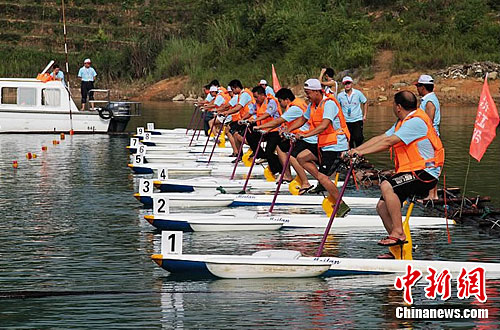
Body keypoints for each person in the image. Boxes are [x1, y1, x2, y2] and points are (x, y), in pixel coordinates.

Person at [347, 91, 444, 256]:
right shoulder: (403, 122)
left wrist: (361, 153)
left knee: (386, 185)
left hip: (425, 173)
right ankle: (398, 251)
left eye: (393, 104)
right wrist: (355, 150)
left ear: (398, 107)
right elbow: (382, 137)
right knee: (381, 206)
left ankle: (398, 233)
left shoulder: (416, 122)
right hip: (412, 172)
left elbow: (388, 142)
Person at [286, 78, 351, 216]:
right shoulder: (313, 105)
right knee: (301, 157)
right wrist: (288, 130)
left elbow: (324, 125)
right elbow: (303, 119)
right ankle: (323, 182)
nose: (307, 96)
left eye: (308, 93)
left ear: (317, 91)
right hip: (324, 144)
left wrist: (305, 135)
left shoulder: (329, 104)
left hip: (335, 145)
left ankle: (340, 204)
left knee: (322, 176)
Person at [254, 88, 314, 193]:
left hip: (307, 137)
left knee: (292, 156)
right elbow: (283, 124)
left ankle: (305, 182)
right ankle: (288, 175)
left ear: (286, 100)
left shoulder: (294, 108)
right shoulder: (297, 104)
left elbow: (278, 121)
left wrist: (260, 127)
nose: (280, 104)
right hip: (300, 135)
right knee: (279, 145)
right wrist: (267, 129)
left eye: (280, 101)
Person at [244, 86, 282, 174]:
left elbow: (268, 114)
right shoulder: (257, 104)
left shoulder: (271, 102)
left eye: (256, 97)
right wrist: (242, 119)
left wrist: (255, 120)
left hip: (274, 130)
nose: (255, 99)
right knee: (249, 136)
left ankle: (279, 170)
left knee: (269, 151)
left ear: (262, 95)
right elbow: (250, 112)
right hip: (263, 130)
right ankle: (261, 155)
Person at [415, 74, 441, 201]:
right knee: (431, 164)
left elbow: (428, 122)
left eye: (418, 86)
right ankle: (432, 194)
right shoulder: (428, 99)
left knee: (430, 165)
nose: (417, 89)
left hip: (429, 137)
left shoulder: (429, 101)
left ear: (423, 87)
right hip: (429, 137)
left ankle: (432, 195)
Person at [221, 79, 256, 155]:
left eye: (233, 89)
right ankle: (239, 154)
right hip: (244, 119)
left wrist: (226, 112)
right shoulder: (240, 95)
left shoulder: (244, 95)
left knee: (235, 134)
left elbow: (238, 107)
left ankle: (255, 148)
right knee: (233, 133)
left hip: (250, 119)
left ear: (236, 87)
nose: (232, 91)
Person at [337, 76, 368, 148]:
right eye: (345, 84)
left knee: (358, 138)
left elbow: (365, 102)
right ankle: (350, 155)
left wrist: (365, 115)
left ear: (351, 84)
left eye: (348, 83)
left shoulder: (358, 93)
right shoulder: (340, 95)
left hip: (357, 119)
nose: (347, 85)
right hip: (345, 121)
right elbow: (337, 107)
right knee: (348, 139)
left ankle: (359, 154)